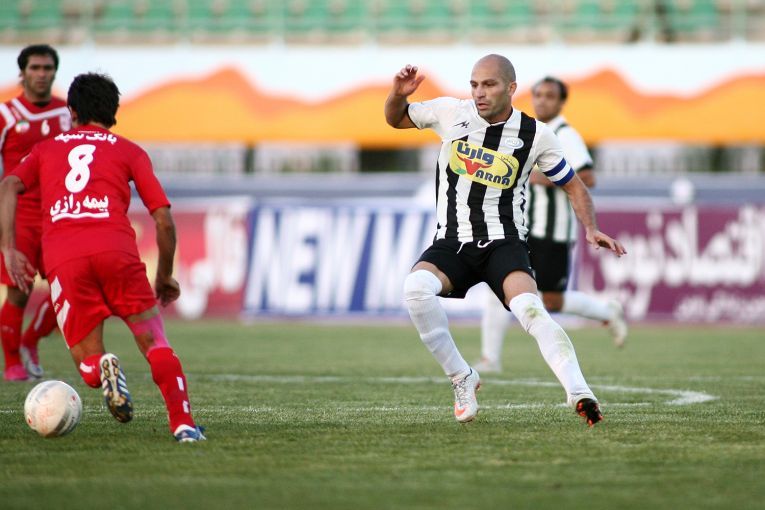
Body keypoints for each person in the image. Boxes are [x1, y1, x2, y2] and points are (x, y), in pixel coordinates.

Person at [385, 55, 626, 427]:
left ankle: (579, 392)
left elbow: (575, 185)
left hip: (504, 241)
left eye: (489, 84)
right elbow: (395, 118)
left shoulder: (536, 135)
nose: (479, 93)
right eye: (474, 84)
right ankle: (462, 376)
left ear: (511, 88)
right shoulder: (450, 112)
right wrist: (398, 94)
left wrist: (591, 228)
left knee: (532, 309)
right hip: (453, 241)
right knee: (415, 289)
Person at [0, 73, 205, 442]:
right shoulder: (130, 151)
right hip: (117, 251)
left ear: (72, 111)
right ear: (114, 111)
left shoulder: (46, 150)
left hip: (66, 258)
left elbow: (9, 185)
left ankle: (102, 366)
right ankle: (184, 425)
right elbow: (163, 220)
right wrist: (165, 275)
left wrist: (8, 247)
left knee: (87, 359)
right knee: (155, 342)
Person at [474, 76, 628, 374]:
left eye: (549, 96)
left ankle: (607, 312)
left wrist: (535, 176)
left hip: (553, 231)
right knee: (498, 286)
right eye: (538, 95)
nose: (542, 100)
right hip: (523, 228)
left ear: (561, 102)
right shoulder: (530, 131)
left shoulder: (565, 134)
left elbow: (588, 177)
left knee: (551, 300)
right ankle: (490, 359)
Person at [0, 44, 69, 381]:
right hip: (22, 215)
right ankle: (13, 362)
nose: (42, 74)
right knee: (19, 291)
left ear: (54, 72)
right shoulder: (7, 114)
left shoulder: (67, 112)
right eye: (35, 68)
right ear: (22, 72)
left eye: (47, 68)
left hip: (60, 214)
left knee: (69, 290)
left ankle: (31, 339)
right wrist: (6, 240)